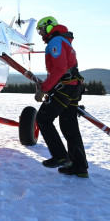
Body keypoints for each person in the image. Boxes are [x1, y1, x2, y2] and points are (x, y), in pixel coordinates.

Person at [34, 16, 88, 178]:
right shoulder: (65, 41)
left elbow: (59, 68)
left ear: (49, 28)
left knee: (43, 118)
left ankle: (60, 156)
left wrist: (43, 89)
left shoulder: (55, 41)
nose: (40, 34)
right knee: (69, 126)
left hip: (65, 87)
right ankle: (79, 166)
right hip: (74, 87)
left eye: (41, 29)